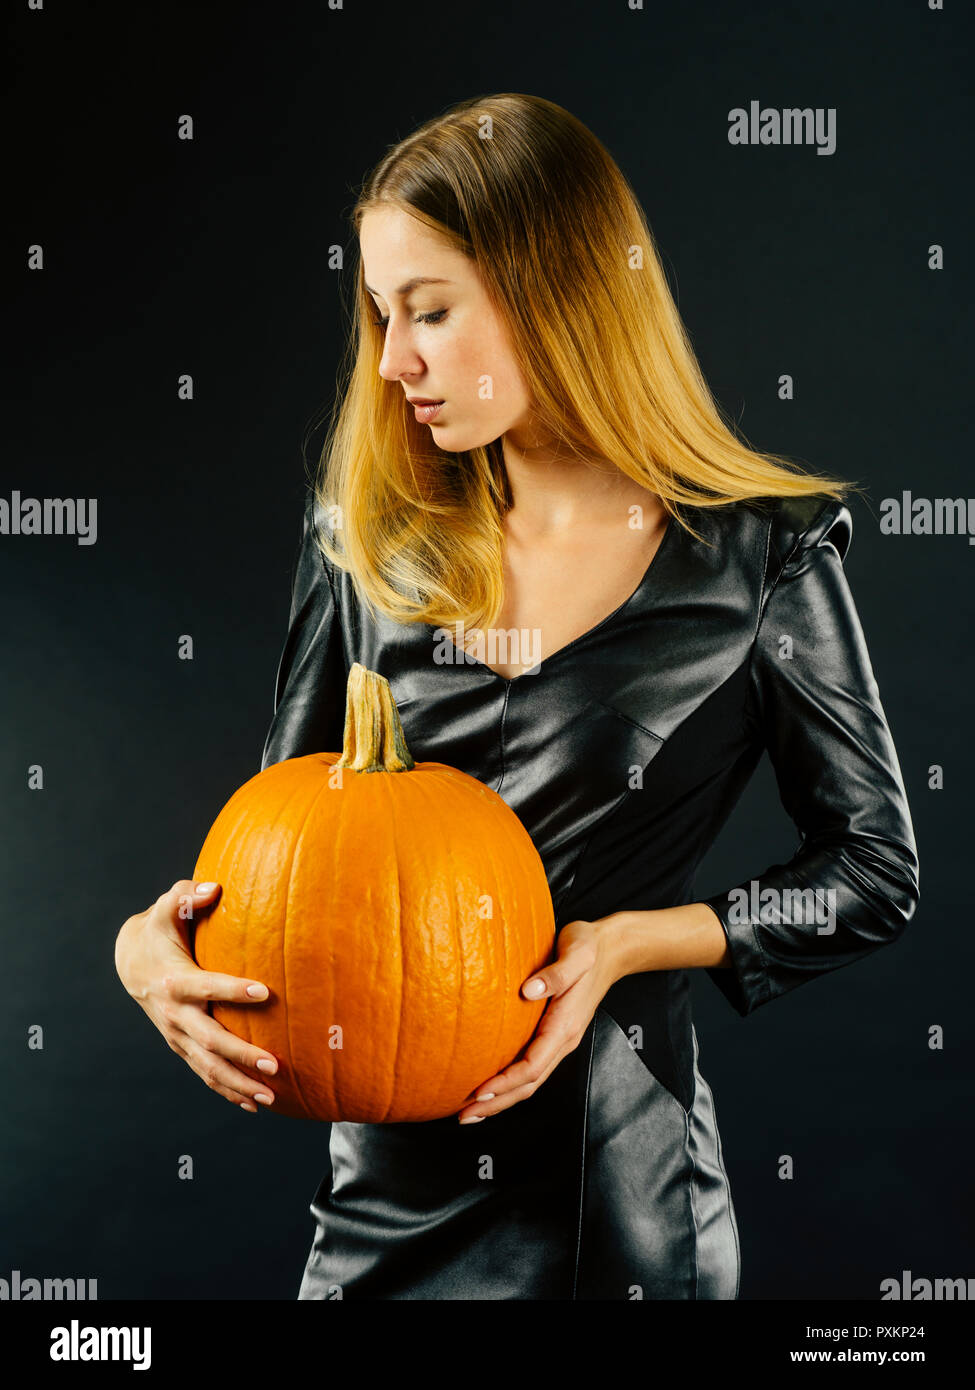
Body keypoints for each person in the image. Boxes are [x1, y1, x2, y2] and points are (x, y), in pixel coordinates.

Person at [114, 93, 920, 1300]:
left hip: (615, 1201)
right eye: (384, 316)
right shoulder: (362, 544)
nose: (395, 361)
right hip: (381, 1204)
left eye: (430, 311)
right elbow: (270, 856)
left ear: (558, 289)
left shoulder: (762, 555)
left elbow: (873, 868)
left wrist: (630, 946)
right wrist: (142, 950)